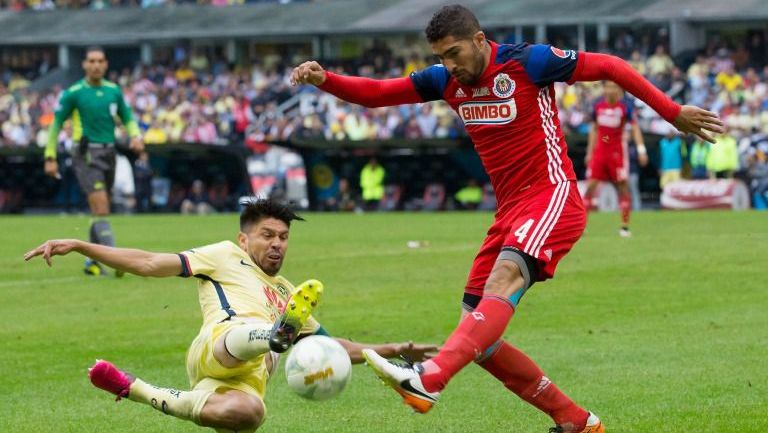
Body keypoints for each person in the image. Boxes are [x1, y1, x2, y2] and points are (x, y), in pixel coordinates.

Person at [290, 5, 723, 433]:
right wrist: (324, 79)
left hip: (552, 195)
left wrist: (671, 111)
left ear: (480, 40)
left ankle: (429, 378)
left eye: (455, 52)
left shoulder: (527, 62)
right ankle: (574, 420)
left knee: (501, 284)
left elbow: (609, 64)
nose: (449, 65)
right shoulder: (445, 81)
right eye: (441, 56)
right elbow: (377, 93)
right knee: (476, 329)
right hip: (511, 210)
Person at [24, 199, 436, 433]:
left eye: (284, 237)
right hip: (218, 346)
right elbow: (149, 262)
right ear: (245, 238)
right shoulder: (224, 254)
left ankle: (135, 388)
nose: (277, 244)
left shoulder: (288, 292)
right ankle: (269, 336)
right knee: (250, 336)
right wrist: (81, 244)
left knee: (249, 416)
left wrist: (396, 349)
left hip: (241, 384)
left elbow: (336, 347)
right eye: (268, 235)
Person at [43, 46, 144, 276]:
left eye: (100, 61)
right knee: (101, 207)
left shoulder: (113, 91)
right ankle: (117, 260)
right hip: (86, 153)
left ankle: (92, 262)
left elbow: (127, 118)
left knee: (100, 209)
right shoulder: (74, 93)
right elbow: (56, 124)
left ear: (106, 64)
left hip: (109, 152)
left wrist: (136, 136)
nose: (96, 65)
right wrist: (50, 156)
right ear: (84, 64)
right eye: (91, 61)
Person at [582, 81, 648, 237]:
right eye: (608, 86)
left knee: (622, 188)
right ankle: (582, 225)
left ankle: (624, 226)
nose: (611, 90)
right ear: (604, 89)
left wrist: (641, 149)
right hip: (600, 152)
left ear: (619, 90)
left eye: (614, 87)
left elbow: (635, 128)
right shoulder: (597, 106)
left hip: (617, 153)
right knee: (590, 187)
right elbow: (594, 129)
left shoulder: (626, 107)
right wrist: (589, 152)